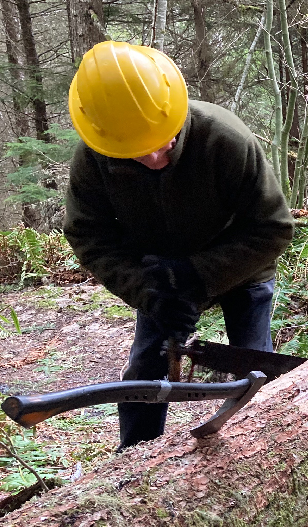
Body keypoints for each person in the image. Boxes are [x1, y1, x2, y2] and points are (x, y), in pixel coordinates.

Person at [63, 41, 295, 450]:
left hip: (242, 270)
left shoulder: (223, 138)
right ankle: (132, 460)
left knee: (254, 363)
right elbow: (89, 236)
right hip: (159, 279)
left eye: (163, 141)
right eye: (137, 152)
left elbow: (273, 228)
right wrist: (148, 292)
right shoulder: (94, 159)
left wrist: (198, 273)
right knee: (143, 372)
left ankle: (263, 450)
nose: (154, 158)